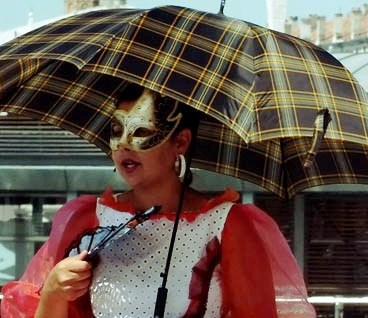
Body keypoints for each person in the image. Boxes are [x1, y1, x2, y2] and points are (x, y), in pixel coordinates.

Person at [1, 84, 316, 317]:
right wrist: (54, 290)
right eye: (115, 130)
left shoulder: (228, 226)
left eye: (141, 131)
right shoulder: (86, 219)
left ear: (180, 141)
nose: (124, 145)